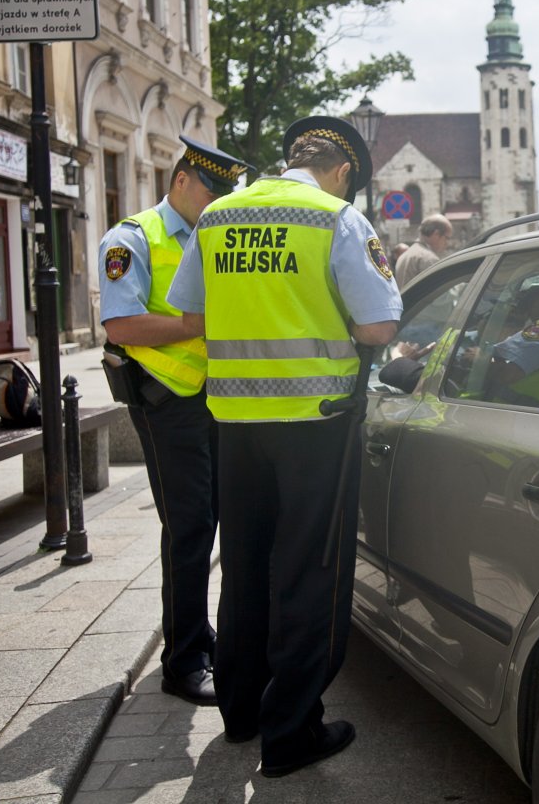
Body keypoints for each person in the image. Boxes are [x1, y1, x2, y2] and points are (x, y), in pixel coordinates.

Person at [168, 115, 402, 778]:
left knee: (243, 568)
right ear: (342, 171)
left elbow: (191, 316)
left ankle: (240, 712)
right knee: (309, 573)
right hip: (314, 423)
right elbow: (380, 326)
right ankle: (292, 732)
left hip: (236, 423)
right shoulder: (334, 219)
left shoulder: (217, 217)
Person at [98, 135, 249, 707]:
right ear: (181, 180)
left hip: (214, 399)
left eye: (223, 194)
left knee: (210, 522)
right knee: (189, 530)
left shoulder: (213, 234)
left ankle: (199, 636)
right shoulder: (133, 238)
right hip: (165, 403)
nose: (215, 203)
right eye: (209, 190)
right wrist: (196, 326)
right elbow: (121, 325)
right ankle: (182, 662)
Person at [394, 214, 453, 284]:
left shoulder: (404, 255)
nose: (447, 243)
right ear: (436, 234)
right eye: (447, 238)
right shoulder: (429, 259)